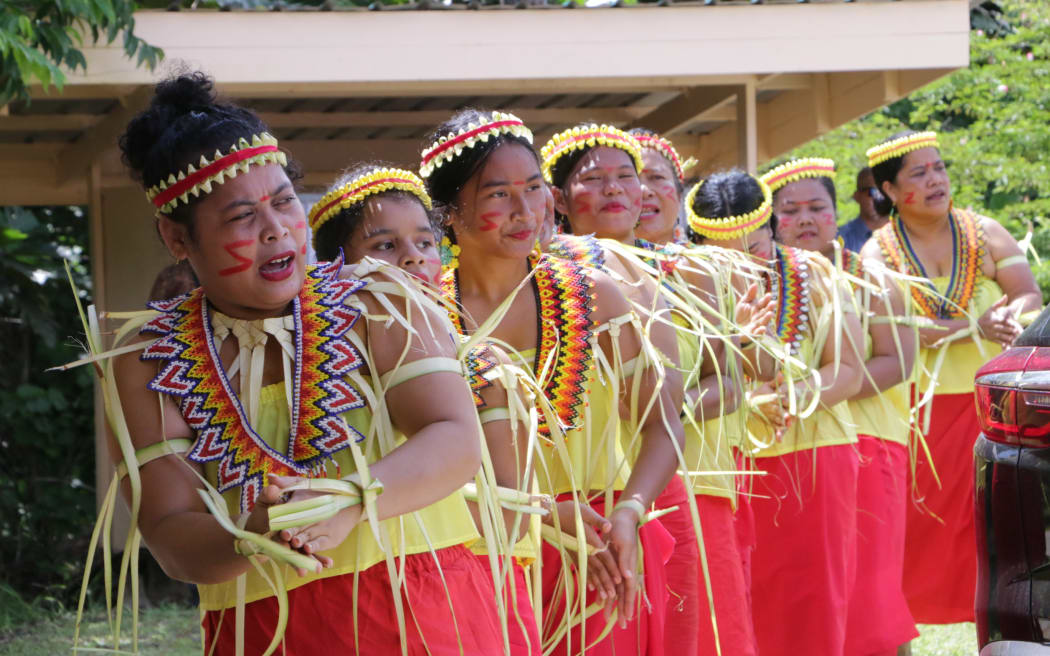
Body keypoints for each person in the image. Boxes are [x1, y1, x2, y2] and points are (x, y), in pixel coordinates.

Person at [95, 72, 504, 654]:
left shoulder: (378, 301)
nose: (276, 230)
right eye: (241, 218)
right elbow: (169, 534)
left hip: (426, 615)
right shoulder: (144, 363)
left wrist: (352, 499)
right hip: (265, 631)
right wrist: (249, 535)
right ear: (176, 238)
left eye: (285, 202)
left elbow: (455, 437)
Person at [422, 109, 684, 656]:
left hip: (598, 553)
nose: (526, 210)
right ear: (449, 213)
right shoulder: (423, 317)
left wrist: (630, 513)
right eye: (498, 194)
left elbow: (662, 427)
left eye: (535, 187)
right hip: (476, 550)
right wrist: (543, 513)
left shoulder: (597, 297)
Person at [309, 163, 543, 655]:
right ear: (337, 267)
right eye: (385, 247)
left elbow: (511, 518)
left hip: (471, 592)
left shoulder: (483, 364)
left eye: (424, 242)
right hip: (352, 601)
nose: (414, 259)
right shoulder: (322, 369)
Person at [860, 130, 1042, 624]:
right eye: (919, 173)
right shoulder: (877, 257)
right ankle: (907, 619)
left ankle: (993, 614)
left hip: (991, 405)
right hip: (916, 407)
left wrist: (1012, 320)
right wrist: (972, 328)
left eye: (938, 167)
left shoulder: (985, 232)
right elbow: (891, 334)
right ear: (891, 191)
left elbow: (1028, 294)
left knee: (990, 517)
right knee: (921, 523)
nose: (936, 179)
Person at [686, 169, 864, 656]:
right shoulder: (682, 283)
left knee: (813, 606)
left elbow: (848, 368)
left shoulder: (815, 273)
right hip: (723, 466)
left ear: (773, 228)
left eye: (755, 249)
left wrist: (793, 395)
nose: (743, 265)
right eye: (724, 256)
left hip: (813, 455)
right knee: (735, 607)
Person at [764, 156, 919, 655]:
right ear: (771, 219)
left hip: (869, 443)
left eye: (817, 207)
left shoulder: (873, 277)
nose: (805, 219)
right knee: (797, 588)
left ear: (837, 214)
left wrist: (833, 385)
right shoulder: (755, 279)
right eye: (790, 210)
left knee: (869, 590)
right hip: (786, 447)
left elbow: (899, 361)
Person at [838, 166, 890, 253]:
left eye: (884, 191)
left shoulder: (907, 233)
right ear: (857, 196)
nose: (880, 197)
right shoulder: (841, 239)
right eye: (874, 191)